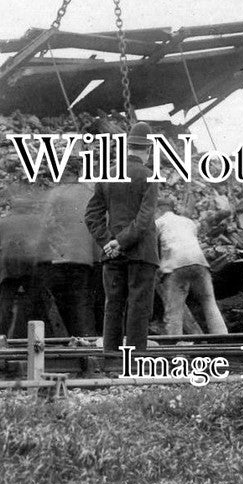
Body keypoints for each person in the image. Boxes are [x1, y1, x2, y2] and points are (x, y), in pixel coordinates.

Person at [84, 121, 159, 356]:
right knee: (138, 305)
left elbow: (91, 215)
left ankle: (111, 356)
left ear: (128, 148)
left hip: (112, 254)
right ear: (147, 151)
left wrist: (108, 241)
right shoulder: (149, 176)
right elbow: (144, 219)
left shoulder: (107, 175)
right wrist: (123, 241)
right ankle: (135, 360)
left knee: (113, 304)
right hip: (141, 252)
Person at [35, 156, 99, 337]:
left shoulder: (55, 194)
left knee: (63, 302)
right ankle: (88, 341)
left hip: (59, 257)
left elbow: (44, 224)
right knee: (83, 301)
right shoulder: (89, 194)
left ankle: (75, 341)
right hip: (85, 258)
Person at [155, 195, 229, 336]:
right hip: (199, 263)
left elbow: (153, 247)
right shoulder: (188, 222)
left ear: (159, 209)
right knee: (209, 303)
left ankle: (176, 348)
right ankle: (223, 339)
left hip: (175, 266)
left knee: (174, 310)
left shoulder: (158, 222)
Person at [0, 194, 47, 338]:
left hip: (6, 266)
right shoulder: (38, 222)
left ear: (11, 208)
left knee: (4, 306)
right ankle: (40, 339)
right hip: (30, 265)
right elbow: (44, 247)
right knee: (36, 304)